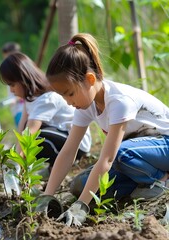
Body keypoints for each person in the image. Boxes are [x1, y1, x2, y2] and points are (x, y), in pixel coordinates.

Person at [44, 33, 169, 226]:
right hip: (138, 156)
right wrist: (47, 196)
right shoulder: (86, 105)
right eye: (63, 97)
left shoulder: (119, 101)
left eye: (70, 93)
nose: (69, 102)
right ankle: (140, 183)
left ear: (90, 79)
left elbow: (108, 158)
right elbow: (68, 152)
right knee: (80, 185)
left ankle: (160, 180)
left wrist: (82, 206)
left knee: (120, 152)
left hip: (163, 145)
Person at [0, 52, 91, 170]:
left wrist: (17, 163)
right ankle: (52, 167)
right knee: (24, 139)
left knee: (35, 138)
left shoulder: (47, 98)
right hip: (61, 137)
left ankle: (64, 165)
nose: (11, 91)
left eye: (12, 85)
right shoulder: (31, 97)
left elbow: (30, 131)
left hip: (78, 145)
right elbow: (22, 125)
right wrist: (17, 156)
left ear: (23, 80)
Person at [1, 42, 25, 127]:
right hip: (15, 110)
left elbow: (26, 92)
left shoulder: (22, 70)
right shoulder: (10, 71)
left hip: (22, 109)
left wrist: (15, 99)